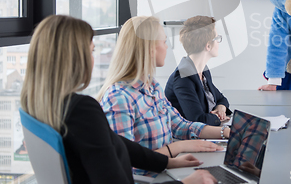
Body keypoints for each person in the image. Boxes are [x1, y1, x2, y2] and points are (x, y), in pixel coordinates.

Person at [20, 15, 216, 184]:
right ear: (76, 58)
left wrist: (167, 161)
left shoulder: (43, 106)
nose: (93, 58)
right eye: (92, 51)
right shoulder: (82, 110)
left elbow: (118, 143)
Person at [98, 16, 231, 176]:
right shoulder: (118, 98)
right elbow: (124, 162)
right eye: (164, 42)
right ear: (150, 48)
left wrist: (227, 133)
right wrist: (180, 148)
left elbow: (181, 125)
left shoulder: (152, 86)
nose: (167, 47)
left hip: (167, 172)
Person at [165, 16, 231, 125]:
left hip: (204, 133)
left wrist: (221, 108)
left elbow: (221, 99)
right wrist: (217, 118)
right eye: (217, 38)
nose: (219, 42)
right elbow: (197, 120)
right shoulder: (183, 77)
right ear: (208, 46)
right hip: (189, 137)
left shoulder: (203, 71)